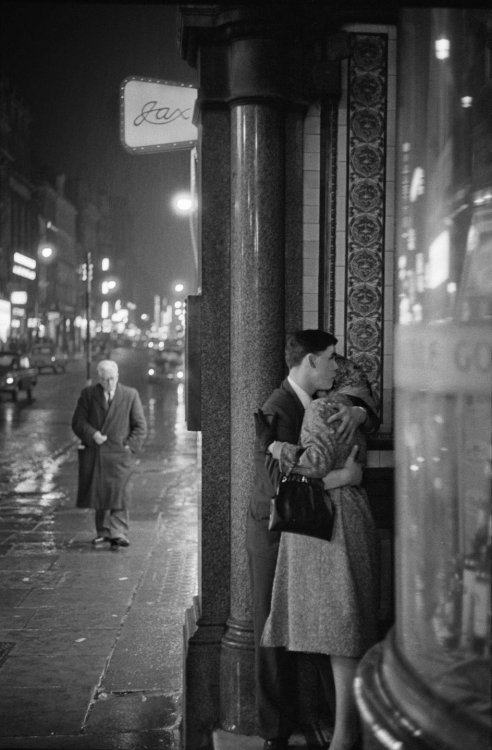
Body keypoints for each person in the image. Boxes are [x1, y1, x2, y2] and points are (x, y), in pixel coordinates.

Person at [248, 330, 379, 748]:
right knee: (276, 629)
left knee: (328, 626)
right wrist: (344, 477)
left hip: (318, 526)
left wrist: (358, 411)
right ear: (308, 362)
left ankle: (321, 720)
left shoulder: (329, 405)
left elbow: (364, 410)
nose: (335, 366)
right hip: (277, 526)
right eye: (328, 358)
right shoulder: (276, 406)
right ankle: (276, 730)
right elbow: (277, 485)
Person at [71, 359, 147, 548]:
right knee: (101, 494)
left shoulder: (130, 395)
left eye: (112, 379)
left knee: (119, 494)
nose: (109, 384)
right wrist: (93, 434)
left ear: (118, 376)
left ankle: (119, 532)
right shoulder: (88, 395)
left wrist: (130, 447)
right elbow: (78, 422)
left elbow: (140, 426)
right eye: (105, 380)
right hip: (97, 454)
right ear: (100, 378)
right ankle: (103, 532)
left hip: (120, 454)